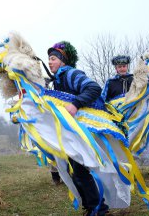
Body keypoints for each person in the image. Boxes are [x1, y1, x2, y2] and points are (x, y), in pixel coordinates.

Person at [47, 41, 109, 216]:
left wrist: (75, 104)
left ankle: (98, 209)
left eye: (53, 58)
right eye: (49, 59)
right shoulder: (57, 81)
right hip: (73, 132)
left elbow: (94, 88)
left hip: (83, 130)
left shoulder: (71, 74)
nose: (50, 62)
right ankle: (92, 207)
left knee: (80, 172)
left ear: (63, 61)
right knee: (75, 172)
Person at [102, 55, 149, 177]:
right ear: (116, 68)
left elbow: (145, 92)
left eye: (124, 66)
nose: (122, 69)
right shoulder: (110, 82)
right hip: (119, 120)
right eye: (119, 66)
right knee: (122, 142)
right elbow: (104, 100)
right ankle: (126, 169)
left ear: (127, 66)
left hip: (137, 117)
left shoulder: (136, 79)